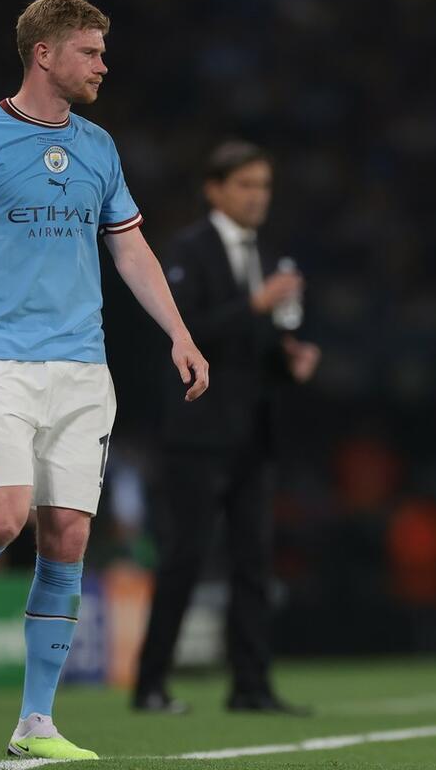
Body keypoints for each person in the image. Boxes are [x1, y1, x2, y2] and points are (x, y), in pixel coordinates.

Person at [0, 0, 209, 761]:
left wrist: (179, 332)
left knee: (69, 535)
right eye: (90, 51)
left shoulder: (99, 147)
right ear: (44, 54)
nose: (103, 65)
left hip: (82, 366)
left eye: (103, 52)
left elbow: (129, 248)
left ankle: (36, 724)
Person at [132, 141, 320, 715]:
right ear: (214, 189)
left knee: (253, 563)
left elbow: (252, 345)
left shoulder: (267, 253)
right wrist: (255, 305)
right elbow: (183, 330)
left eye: (264, 185)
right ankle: (150, 685)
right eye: (246, 184)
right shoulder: (189, 249)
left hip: (252, 434)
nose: (258, 196)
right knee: (185, 557)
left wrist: (289, 361)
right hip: (197, 433)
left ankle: (251, 686)